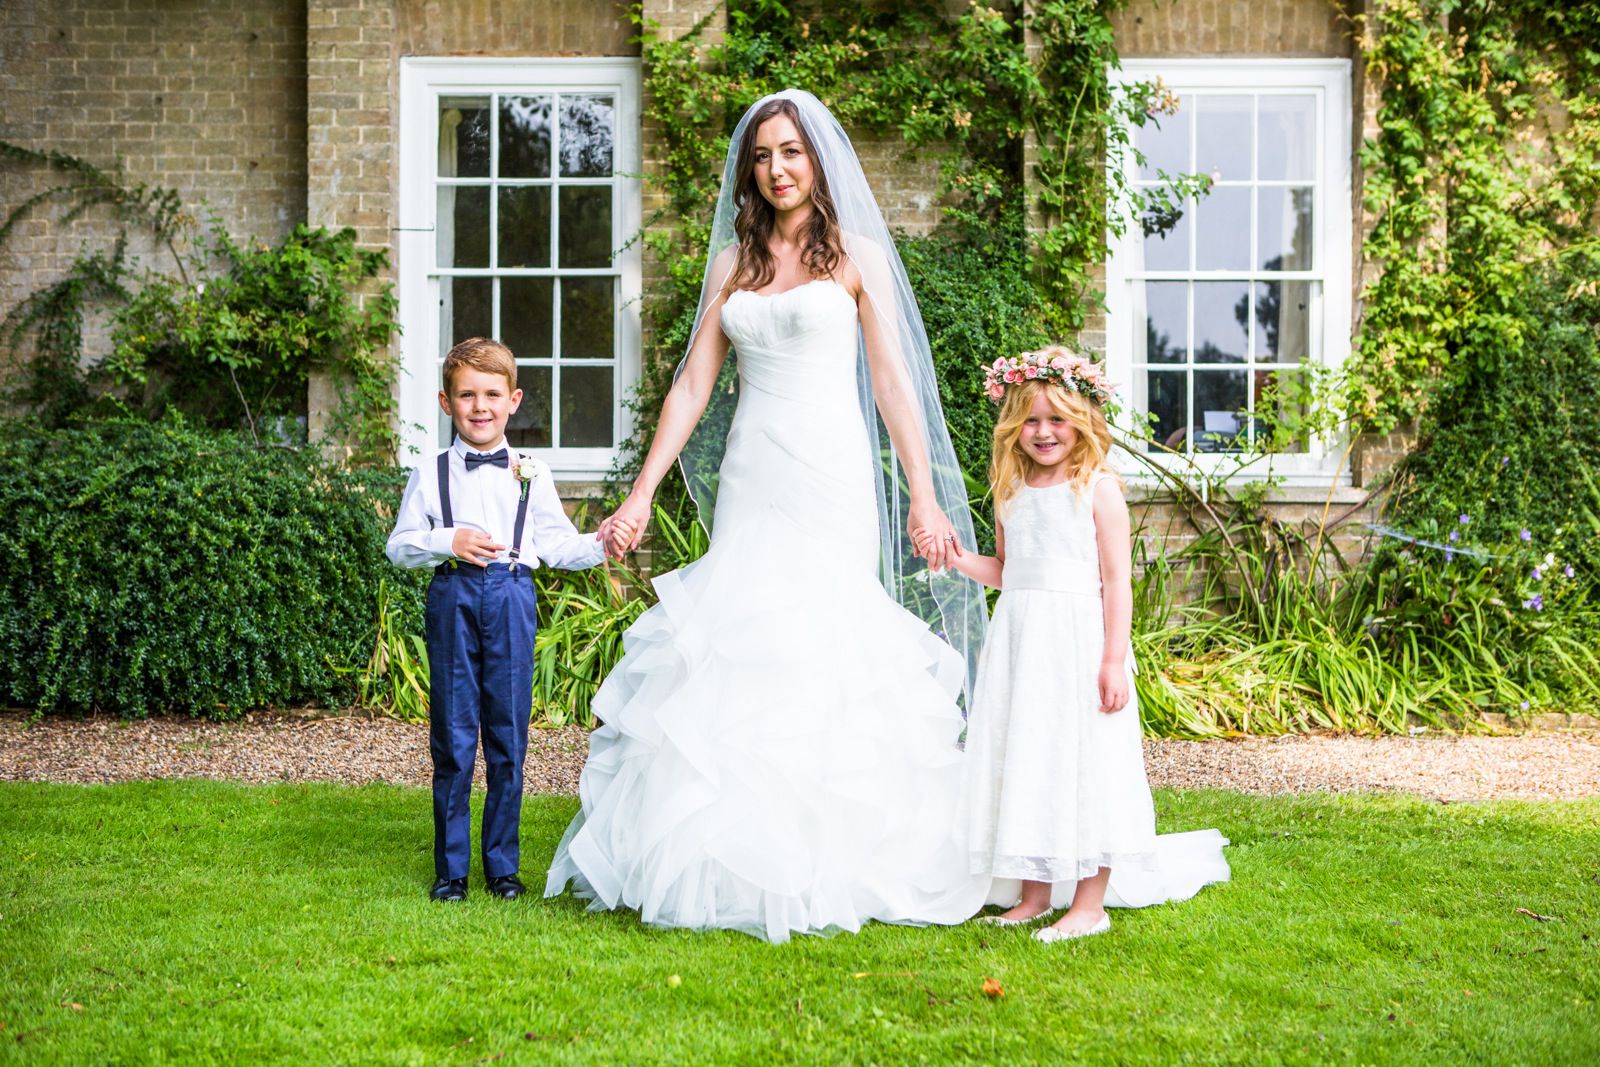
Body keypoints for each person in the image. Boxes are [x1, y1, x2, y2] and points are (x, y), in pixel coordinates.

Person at [543, 90, 991, 943]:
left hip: (830, 471)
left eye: (791, 152)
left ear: (817, 161)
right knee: (744, 634)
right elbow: (692, 385)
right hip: (756, 469)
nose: (777, 168)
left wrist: (924, 496)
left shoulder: (854, 255)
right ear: (749, 170)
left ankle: (834, 851)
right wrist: (640, 493)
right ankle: (731, 852)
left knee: (822, 635)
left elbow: (893, 385)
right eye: (762, 156)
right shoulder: (733, 264)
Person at [936, 348, 1229, 942]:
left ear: (1082, 422)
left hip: (1078, 642)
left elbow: (1116, 579)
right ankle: (1034, 891)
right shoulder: (1010, 490)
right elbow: (1010, 569)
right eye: (1032, 420)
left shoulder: (1097, 489)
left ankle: (1089, 904)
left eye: (1058, 419)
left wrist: (1113, 659)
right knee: (1030, 754)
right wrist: (957, 558)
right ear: (1014, 426)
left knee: (1085, 759)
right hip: (1021, 641)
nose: (1044, 432)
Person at [387, 337, 613, 903]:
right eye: (467, 395)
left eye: (491, 394)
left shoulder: (531, 471)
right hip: (454, 599)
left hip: (512, 599)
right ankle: (451, 872)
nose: (479, 406)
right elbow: (400, 546)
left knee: (508, 737)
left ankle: (503, 868)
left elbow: (557, 544)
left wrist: (602, 542)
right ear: (446, 403)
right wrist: (448, 539)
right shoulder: (430, 470)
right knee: (454, 737)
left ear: (514, 400)